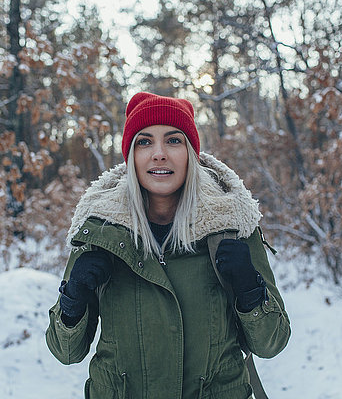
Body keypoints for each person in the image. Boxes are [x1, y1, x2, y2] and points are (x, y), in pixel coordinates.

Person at [45, 92, 290, 399]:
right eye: (144, 142)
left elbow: (272, 343)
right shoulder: (99, 231)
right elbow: (65, 352)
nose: (159, 153)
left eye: (174, 140)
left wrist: (250, 290)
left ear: (191, 152)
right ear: (131, 155)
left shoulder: (231, 226)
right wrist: (73, 300)